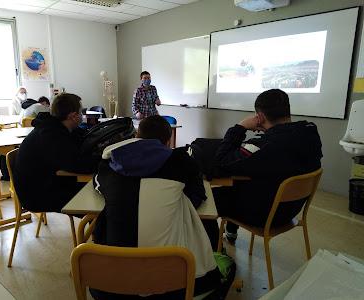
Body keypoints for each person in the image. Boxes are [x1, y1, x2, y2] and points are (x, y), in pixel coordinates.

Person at [91, 115, 234, 300]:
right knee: (225, 264)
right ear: (168, 142)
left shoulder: (110, 161)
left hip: (113, 286)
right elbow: (197, 197)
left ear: (136, 135)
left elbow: (98, 187)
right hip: (172, 284)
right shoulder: (181, 161)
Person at [204, 89, 322, 246]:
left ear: (259, 116)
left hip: (264, 215)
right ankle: (231, 233)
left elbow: (220, 163)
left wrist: (240, 127)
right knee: (241, 182)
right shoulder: (310, 134)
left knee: (206, 197)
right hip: (290, 210)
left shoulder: (261, 146)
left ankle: (213, 252)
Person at [14, 93, 99, 212]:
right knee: (100, 196)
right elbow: (77, 165)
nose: (82, 116)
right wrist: (103, 160)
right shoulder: (51, 135)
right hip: (37, 195)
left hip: (47, 183)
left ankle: (96, 227)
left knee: (99, 189)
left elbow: (82, 138)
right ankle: (97, 228)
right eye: (80, 113)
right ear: (73, 116)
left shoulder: (56, 126)